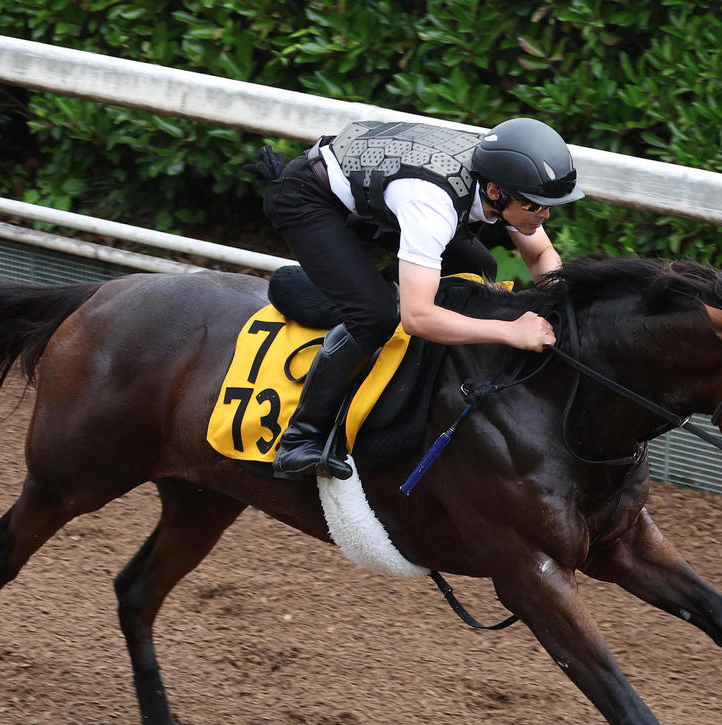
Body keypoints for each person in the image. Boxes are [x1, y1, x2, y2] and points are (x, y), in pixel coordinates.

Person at [250, 117, 585, 481]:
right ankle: (302, 436)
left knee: (480, 268)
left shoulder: (500, 180)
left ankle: (367, 298)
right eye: (536, 206)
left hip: (377, 193)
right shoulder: (432, 203)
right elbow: (418, 318)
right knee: (375, 316)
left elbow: (540, 257)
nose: (546, 215)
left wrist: (560, 309)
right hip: (309, 198)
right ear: (493, 191)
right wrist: (510, 331)